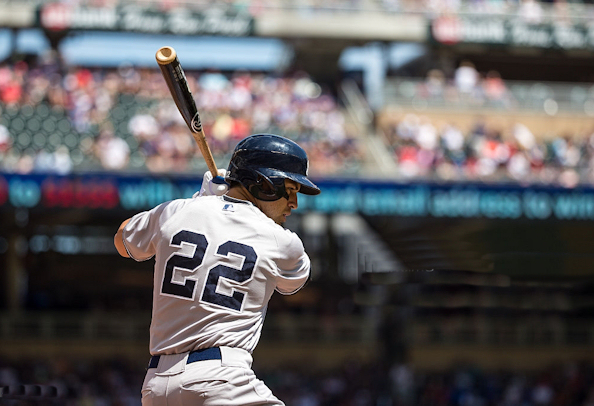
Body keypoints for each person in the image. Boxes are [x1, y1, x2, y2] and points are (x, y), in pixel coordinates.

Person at [113, 133, 321, 406]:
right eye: (290, 190)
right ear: (264, 185)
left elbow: (121, 239)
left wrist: (200, 201)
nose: (293, 203)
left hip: (156, 387)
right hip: (221, 380)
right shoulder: (282, 242)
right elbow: (292, 283)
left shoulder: (175, 211)